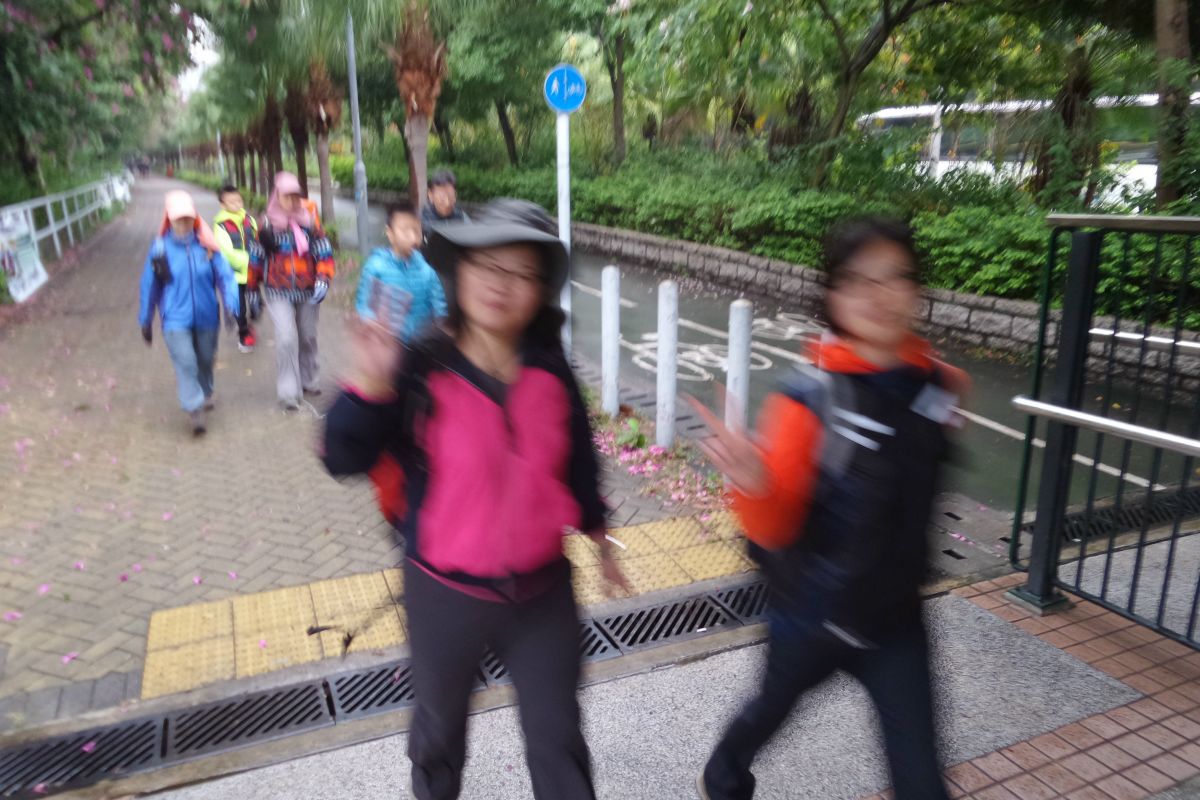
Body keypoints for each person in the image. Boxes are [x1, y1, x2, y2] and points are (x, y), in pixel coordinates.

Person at [322, 199, 628, 800]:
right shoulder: (420, 365)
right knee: (438, 736)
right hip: (443, 594)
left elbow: (577, 461)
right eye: (487, 265)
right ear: (458, 271)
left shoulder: (551, 369)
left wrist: (599, 536)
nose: (500, 284)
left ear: (541, 291)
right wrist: (370, 387)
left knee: (559, 738)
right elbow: (342, 457)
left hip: (542, 594)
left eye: (522, 273)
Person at [691, 217, 969, 800]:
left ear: (917, 290)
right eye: (859, 280)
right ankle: (725, 770)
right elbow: (773, 529)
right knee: (769, 709)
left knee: (922, 782)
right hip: (812, 619)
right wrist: (753, 483)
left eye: (895, 277)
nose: (879, 295)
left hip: (896, 622)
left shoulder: (939, 385)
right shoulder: (808, 400)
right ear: (833, 296)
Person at [138, 190, 240, 436]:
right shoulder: (160, 249)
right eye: (178, 219)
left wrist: (231, 306)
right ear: (169, 219)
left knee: (205, 358)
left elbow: (226, 277)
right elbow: (150, 286)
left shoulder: (208, 246)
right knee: (186, 361)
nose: (183, 223)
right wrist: (146, 320)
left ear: (194, 218)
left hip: (207, 315)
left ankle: (206, 391)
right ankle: (194, 408)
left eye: (187, 218)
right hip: (175, 318)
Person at [258, 171, 335, 410]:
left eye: (295, 196)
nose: (291, 201)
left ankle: (309, 377)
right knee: (286, 338)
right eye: (286, 196)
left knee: (308, 335)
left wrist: (323, 278)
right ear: (277, 195)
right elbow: (256, 257)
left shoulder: (309, 221)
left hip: (307, 290)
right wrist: (250, 290)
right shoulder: (267, 224)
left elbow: (324, 251)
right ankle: (289, 391)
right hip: (277, 291)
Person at [355, 200, 447, 343]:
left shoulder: (427, 271)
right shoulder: (376, 267)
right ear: (390, 233)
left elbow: (439, 308)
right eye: (405, 230)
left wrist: (442, 329)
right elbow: (364, 305)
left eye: (416, 230)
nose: (412, 236)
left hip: (419, 345)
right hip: (387, 345)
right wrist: (371, 325)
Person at [212, 185, 264, 353]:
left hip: (252, 275)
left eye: (239, 200)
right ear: (222, 204)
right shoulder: (221, 226)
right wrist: (251, 261)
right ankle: (244, 335)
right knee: (239, 308)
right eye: (231, 201)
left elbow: (258, 241)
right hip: (234, 277)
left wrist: (261, 260)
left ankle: (250, 323)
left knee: (257, 307)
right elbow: (226, 253)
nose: (236, 204)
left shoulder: (250, 220)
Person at [421, 169, 469, 242]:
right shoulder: (420, 219)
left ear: (455, 195)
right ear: (430, 195)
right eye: (441, 195)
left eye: (450, 194)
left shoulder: (462, 216)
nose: (447, 201)